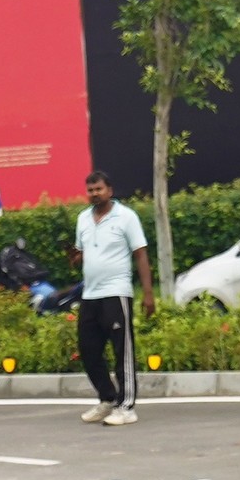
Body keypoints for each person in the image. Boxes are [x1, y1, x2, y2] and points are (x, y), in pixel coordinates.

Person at [72, 170, 150, 425]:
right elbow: (82, 253)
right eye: (91, 190)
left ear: (110, 190)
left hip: (117, 293)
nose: (95, 194)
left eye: (99, 189)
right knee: (88, 349)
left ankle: (126, 407)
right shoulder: (83, 219)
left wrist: (148, 294)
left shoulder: (126, 217)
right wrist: (75, 258)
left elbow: (140, 254)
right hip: (90, 294)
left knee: (122, 352)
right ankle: (107, 398)